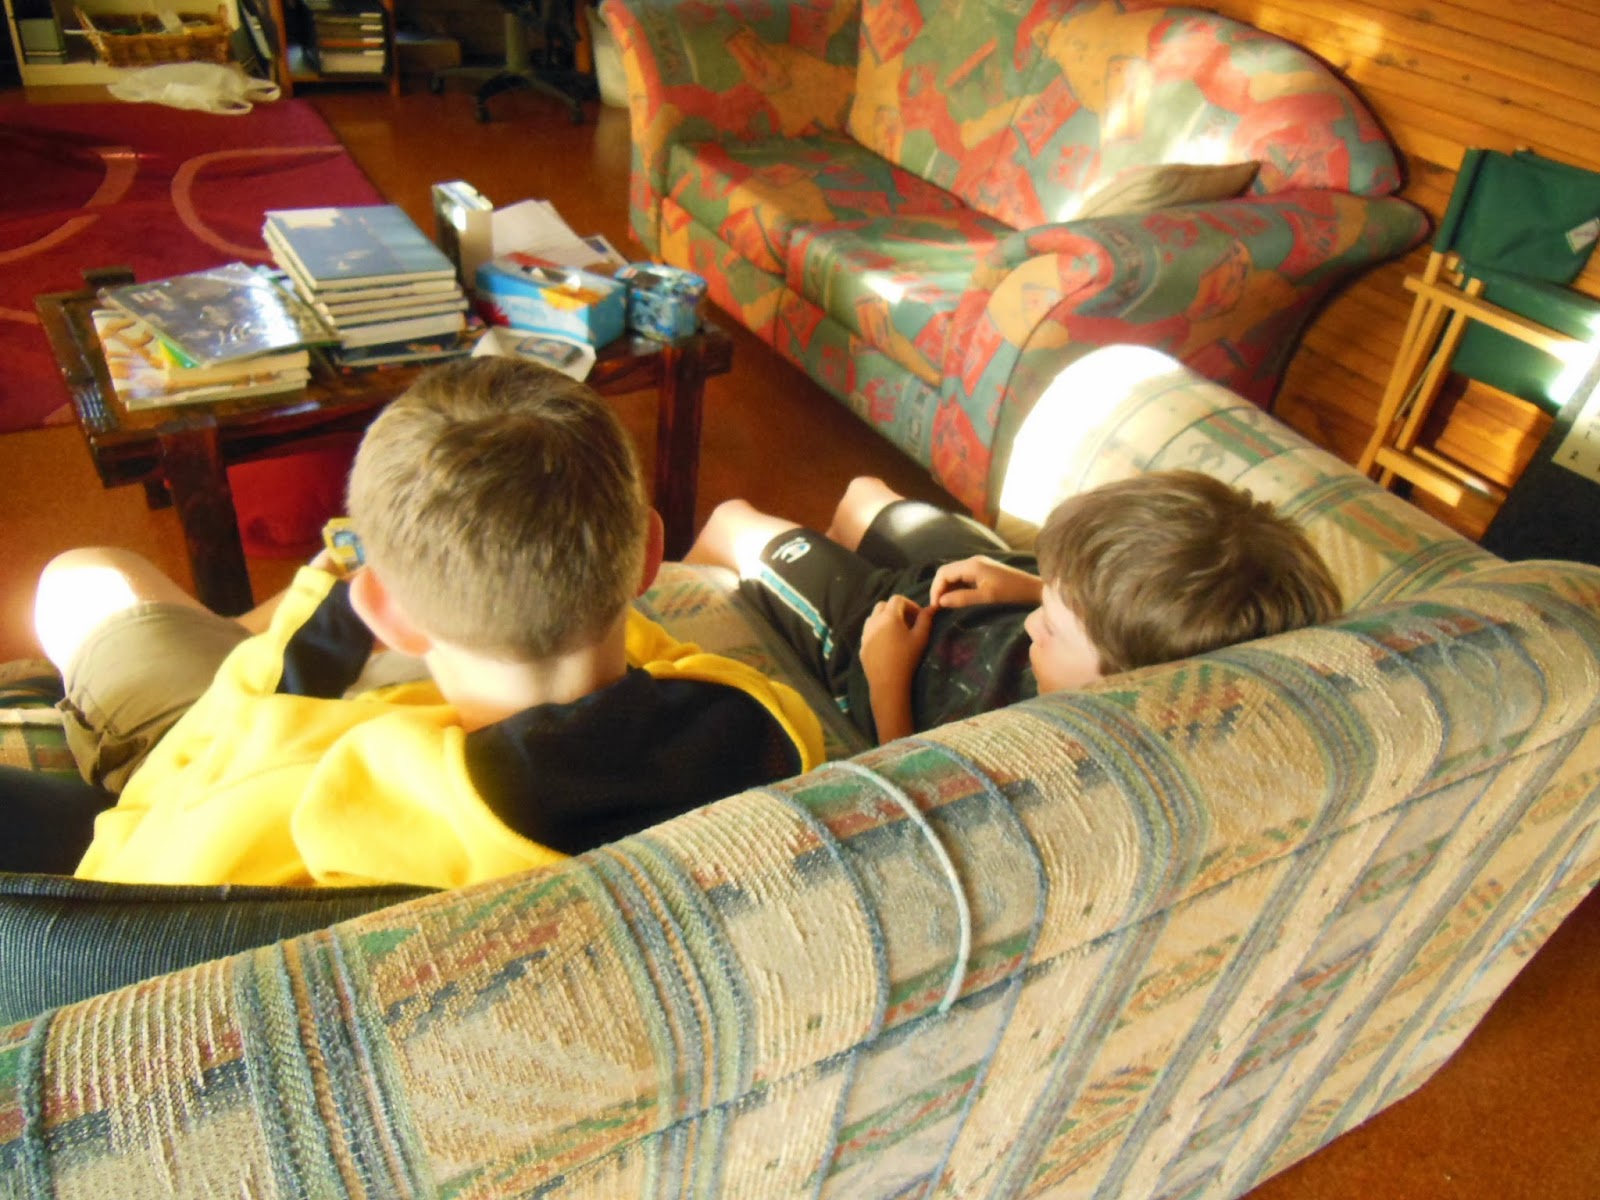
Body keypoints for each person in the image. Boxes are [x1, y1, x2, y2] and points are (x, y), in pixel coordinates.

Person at [36, 357, 824, 890]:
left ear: (387, 612)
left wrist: (307, 639)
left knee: (85, 574)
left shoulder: (304, 792)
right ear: (650, 556)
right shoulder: (769, 728)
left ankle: (240, 624)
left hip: (217, 733)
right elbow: (668, 667)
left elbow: (118, 880)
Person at [686, 470, 1342, 744]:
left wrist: (885, 679)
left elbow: (913, 789)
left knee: (731, 522)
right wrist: (1033, 589)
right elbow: (1089, 624)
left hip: (882, 644)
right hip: (987, 589)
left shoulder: (1041, 748)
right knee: (864, 493)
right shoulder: (1137, 649)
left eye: (1050, 627)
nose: (1037, 625)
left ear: (1126, 684)